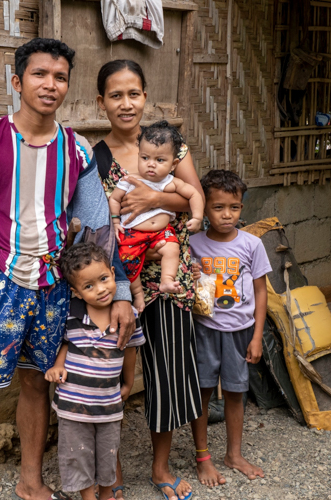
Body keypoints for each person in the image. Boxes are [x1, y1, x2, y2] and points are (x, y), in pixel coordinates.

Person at [0, 39, 136, 500]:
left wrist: (123, 290)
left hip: (52, 290)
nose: (51, 85)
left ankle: (30, 481)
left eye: (61, 77)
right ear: (18, 81)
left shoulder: (77, 151)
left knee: (36, 382)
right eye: (40, 75)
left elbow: (99, 230)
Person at [93, 59, 203, 500]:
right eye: (116, 95)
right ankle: (113, 473)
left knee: (169, 369)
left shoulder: (170, 145)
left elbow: (196, 201)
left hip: (167, 277)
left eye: (134, 93)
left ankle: (160, 468)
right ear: (101, 102)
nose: (126, 104)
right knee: (109, 372)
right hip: (114, 281)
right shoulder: (93, 156)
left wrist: (157, 196)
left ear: (145, 96)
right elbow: (94, 219)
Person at [189, 169, 271, 485]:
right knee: (202, 392)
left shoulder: (252, 245)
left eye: (234, 207)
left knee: (236, 393)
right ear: (205, 208)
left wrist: (257, 336)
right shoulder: (193, 243)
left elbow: (262, 291)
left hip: (240, 331)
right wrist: (191, 276)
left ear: (242, 207)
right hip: (205, 330)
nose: (226, 215)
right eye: (218, 207)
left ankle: (233, 454)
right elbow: (184, 282)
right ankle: (203, 456)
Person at [45, 243, 145, 500]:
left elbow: (131, 349)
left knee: (107, 453)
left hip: (108, 405)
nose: (100, 289)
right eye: (88, 286)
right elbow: (66, 343)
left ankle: (108, 494)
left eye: (103, 279)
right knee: (76, 454)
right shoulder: (72, 315)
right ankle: (89, 497)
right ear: (76, 292)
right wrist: (57, 366)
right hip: (73, 404)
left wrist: (128, 384)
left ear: (113, 273)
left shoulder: (127, 315)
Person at [109, 121, 204, 312]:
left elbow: (194, 194)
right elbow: (114, 199)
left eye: (160, 160)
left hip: (161, 233)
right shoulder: (129, 180)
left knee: (172, 248)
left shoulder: (170, 183)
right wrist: (115, 221)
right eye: (145, 158)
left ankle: (166, 281)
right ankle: (136, 295)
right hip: (133, 234)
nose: (151, 164)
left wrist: (198, 217)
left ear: (173, 164)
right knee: (127, 260)